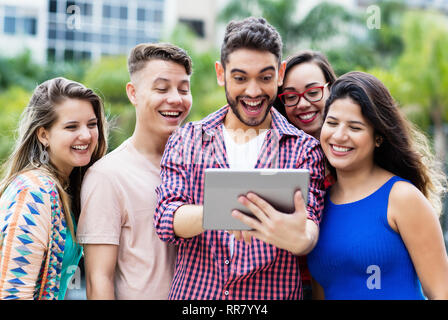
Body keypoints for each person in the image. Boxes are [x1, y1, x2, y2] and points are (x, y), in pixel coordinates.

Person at [154, 17, 325, 300]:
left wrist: (300, 238)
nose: (254, 91)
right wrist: (225, 210)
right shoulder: (186, 139)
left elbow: (308, 228)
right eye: (240, 78)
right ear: (221, 74)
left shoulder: (303, 149)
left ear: (280, 74)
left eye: (265, 77)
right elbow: (166, 218)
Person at [307, 71, 448, 299]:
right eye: (332, 123)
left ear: (378, 137)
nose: (339, 135)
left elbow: (442, 293)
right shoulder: (317, 202)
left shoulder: (402, 198)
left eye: (355, 127)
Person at [76, 43, 193, 299]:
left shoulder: (201, 165)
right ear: (133, 93)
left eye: (184, 89)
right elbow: (99, 280)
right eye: (161, 88)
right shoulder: (107, 176)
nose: (175, 98)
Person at [0, 77, 107, 300]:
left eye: (91, 124)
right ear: (43, 135)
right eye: (71, 126)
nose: (86, 135)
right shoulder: (34, 192)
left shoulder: (68, 189)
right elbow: (12, 294)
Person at [274, 50, 337, 299]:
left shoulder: (356, 154)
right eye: (291, 96)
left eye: (313, 92)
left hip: (345, 280)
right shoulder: (273, 154)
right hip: (291, 285)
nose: (302, 104)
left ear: (331, 90)